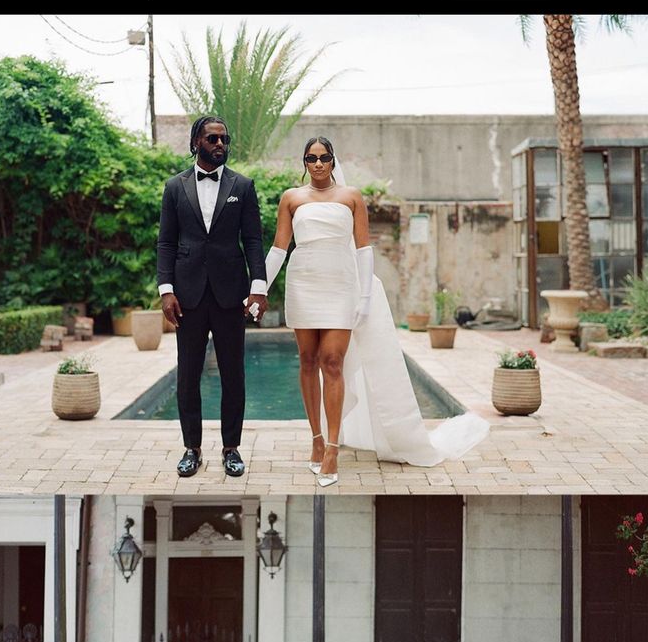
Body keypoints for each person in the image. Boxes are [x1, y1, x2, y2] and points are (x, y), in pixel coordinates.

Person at [263, 137, 490, 484]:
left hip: (341, 284)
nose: (318, 163)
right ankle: (316, 439)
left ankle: (333, 448)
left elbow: (363, 249)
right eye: (311, 158)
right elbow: (279, 248)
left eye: (324, 158)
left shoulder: (351, 196)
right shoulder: (291, 198)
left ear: (333, 160)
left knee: (332, 361)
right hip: (304, 283)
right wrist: (258, 288)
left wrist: (365, 296)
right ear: (304, 162)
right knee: (307, 361)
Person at [157, 116, 268, 478]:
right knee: (187, 375)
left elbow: (253, 239)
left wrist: (259, 287)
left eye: (224, 138)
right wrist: (166, 289)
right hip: (187, 294)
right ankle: (191, 448)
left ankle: (231, 448)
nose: (220, 144)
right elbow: (166, 242)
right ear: (196, 143)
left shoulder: (243, 185)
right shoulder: (175, 187)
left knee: (233, 373)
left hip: (230, 293)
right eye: (212, 138)